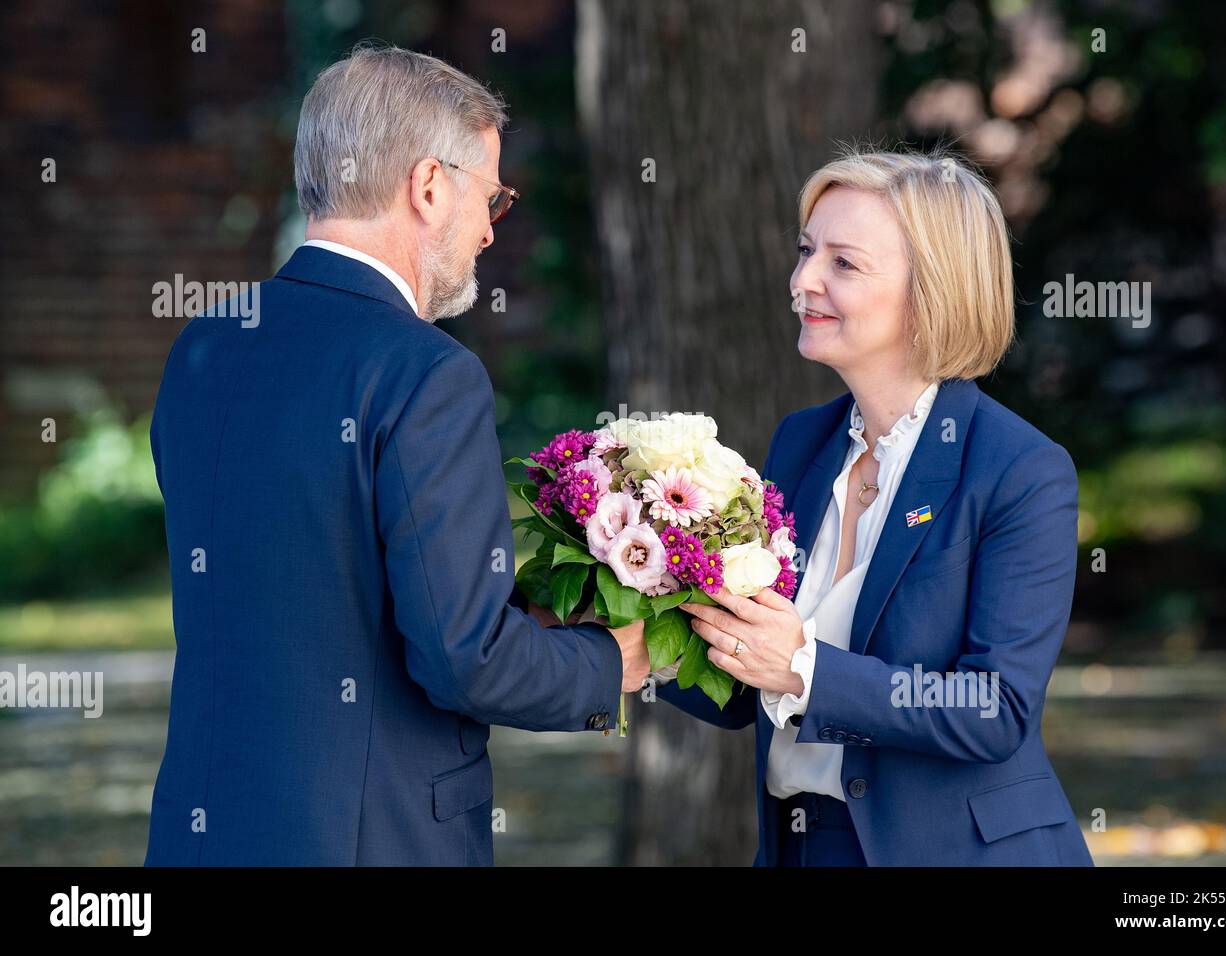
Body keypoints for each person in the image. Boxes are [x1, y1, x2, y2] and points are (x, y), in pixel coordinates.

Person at [145, 43, 648, 866]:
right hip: (370, 839)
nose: (490, 226)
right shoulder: (427, 373)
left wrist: (524, 611)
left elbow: (310, 575)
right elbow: (463, 661)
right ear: (428, 186)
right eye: (490, 196)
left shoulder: (204, 349)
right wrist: (605, 664)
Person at [658, 149, 1094, 867]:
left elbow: (997, 710)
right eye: (805, 252)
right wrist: (620, 630)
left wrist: (806, 668)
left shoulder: (1022, 470)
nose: (803, 281)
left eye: (844, 264)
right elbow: (742, 689)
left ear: (933, 292)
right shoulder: (801, 443)